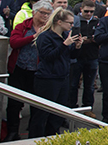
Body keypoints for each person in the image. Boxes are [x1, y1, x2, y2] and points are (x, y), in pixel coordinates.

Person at [5, 0, 51, 140]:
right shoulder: (23, 26)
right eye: (42, 13)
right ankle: (12, 132)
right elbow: (14, 42)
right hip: (19, 69)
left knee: (37, 104)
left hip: (38, 71)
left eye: (48, 14)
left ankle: (34, 133)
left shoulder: (50, 28)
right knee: (14, 103)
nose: (45, 16)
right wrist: (33, 37)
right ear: (34, 12)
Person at [33, 7, 81, 138]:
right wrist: (65, 45)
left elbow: (69, 56)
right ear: (59, 22)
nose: (72, 26)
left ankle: (53, 136)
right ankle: (35, 139)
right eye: (69, 23)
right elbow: (47, 56)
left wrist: (76, 47)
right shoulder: (45, 36)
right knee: (42, 113)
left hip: (62, 77)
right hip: (47, 78)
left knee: (58, 113)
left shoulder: (65, 36)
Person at [68, 2, 100, 115]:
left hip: (92, 56)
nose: (88, 14)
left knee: (89, 86)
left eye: (91, 11)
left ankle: (87, 108)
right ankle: (72, 107)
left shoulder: (97, 22)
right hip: (77, 56)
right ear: (81, 9)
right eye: (86, 11)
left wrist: (92, 39)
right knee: (73, 84)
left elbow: (99, 37)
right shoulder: (76, 21)